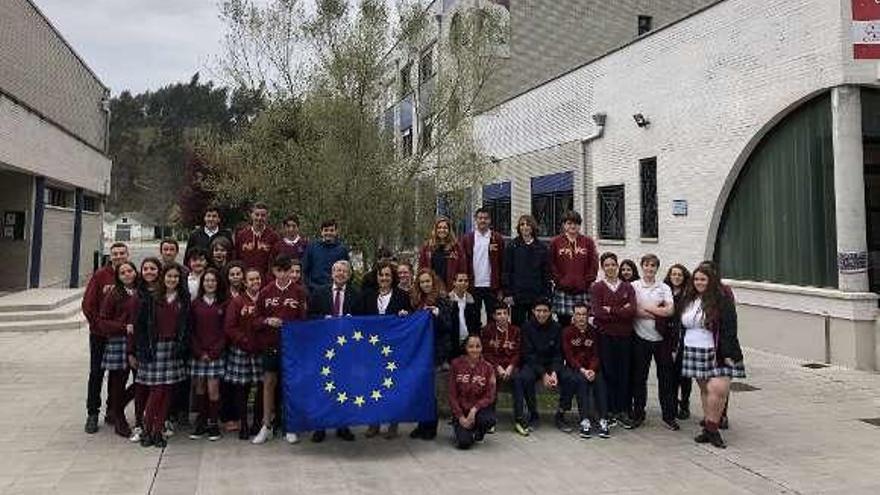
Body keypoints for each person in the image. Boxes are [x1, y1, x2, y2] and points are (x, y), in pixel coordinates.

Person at [678, 265, 745, 448]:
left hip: (718, 351)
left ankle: (714, 429)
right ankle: (708, 427)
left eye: (703, 279)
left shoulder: (721, 300)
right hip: (693, 349)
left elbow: (730, 327)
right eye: (697, 279)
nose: (699, 282)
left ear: (711, 281)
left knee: (718, 390)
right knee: (705, 390)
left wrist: (730, 353)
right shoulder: (689, 299)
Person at [129, 263, 190, 448]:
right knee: (156, 392)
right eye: (169, 276)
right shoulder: (151, 299)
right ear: (163, 278)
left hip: (173, 349)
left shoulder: (183, 299)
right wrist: (136, 351)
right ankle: (147, 428)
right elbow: (139, 327)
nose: (172, 280)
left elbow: (186, 327)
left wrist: (182, 347)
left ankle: (157, 431)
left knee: (167, 392)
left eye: (176, 277)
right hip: (154, 348)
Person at [254, 255, 309, 445]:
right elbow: (255, 319)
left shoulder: (299, 292)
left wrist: (291, 325)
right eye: (279, 270)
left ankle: (290, 426)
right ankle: (266, 425)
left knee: (290, 385)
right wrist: (267, 320)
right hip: (270, 345)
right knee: (269, 383)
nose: (283, 274)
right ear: (274, 271)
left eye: (287, 270)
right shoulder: (265, 292)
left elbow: (304, 320)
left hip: (291, 347)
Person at [307, 260, 362, 442]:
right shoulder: (319, 293)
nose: (340, 274)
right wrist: (324, 318)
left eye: (344, 271)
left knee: (344, 387)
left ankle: (342, 426)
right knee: (323, 387)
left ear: (349, 274)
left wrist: (352, 320)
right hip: (323, 348)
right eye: (337, 270)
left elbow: (364, 321)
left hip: (346, 349)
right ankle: (320, 426)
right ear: (332, 273)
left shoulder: (356, 295)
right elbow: (309, 317)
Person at [360, 260, 412, 439]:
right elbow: (357, 318)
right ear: (377, 277)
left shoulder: (403, 296)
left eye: (388, 275)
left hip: (394, 349)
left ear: (393, 277)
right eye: (381, 275)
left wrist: (406, 316)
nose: (384, 278)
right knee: (373, 385)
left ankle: (393, 423)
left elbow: (411, 322)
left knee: (392, 386)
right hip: (371, 349)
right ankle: (373, 423)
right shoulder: (367, 295)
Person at [82, 241, 129, 434]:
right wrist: (99, 325)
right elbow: (88, 305)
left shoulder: (130, 275)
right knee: (96, 373)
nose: (118, 256)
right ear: (111, 256)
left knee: (118, 375)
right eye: (115, 254)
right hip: (101, 335)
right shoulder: (101, 276)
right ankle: (93, 412)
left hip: (121, 336)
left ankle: (113, 409)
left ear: (127, 255)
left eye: (122, 253)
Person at [630, 254, 677, 430]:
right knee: (639, 378)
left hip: (661, 339)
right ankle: (638, 414)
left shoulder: (664, 287)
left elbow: (670, 311)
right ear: (642, 267)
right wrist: (658, 311)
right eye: (647, 265)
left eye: (653, 266)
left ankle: (669, 416)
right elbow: (633, 310)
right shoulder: (634, 286)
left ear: (657, 268)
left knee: (666, 378)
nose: (650, 269)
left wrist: (647, 309)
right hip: (640, 337)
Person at [590, 252, 636, 428]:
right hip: (605, 336)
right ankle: (607, 410)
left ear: (617, 266)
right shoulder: (597, 288)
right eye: (607, 265)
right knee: (607, 372)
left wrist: (611, 310)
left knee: (623, 373)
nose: (610, 267)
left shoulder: (627, 287)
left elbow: (631, 312)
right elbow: (598, 313)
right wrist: (619, 310)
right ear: (603, 268)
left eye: (613, 264)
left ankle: (622, 410)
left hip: (624, 336)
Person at [408, 268, 455, 440]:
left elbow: (448, 326)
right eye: (422, 282)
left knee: (431, 392)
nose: (425, 285)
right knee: (420, 390)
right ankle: (421, 425)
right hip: (420, 352)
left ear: (433, 282)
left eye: (428, 281)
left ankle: (431, 427)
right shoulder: (416, 301)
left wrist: (437, 314)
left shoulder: (442, 299)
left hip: (435, 351)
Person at [96, 261, 141, 438]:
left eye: (130, 271)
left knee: (141, 381)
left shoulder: (141, 291)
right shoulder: (114, 294)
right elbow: (103, 320)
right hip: (119, 341)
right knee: (118, 381)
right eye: (123, 273)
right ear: (118, 277)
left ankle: (131, 412)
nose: (127, 275)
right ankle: (118, 417)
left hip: (138, 341)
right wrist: (124, 327)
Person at [224, 268, 265, 440]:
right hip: (241, 349)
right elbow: (229, 327)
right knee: (242, 388)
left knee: (261, 387)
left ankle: (257, 421)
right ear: (245, 282)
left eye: (257, 278)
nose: (255, 282)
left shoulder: (265, 299)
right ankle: (243, 424)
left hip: (260, 350)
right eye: (251, 279)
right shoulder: (238, 301)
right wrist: (244, 341)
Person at [188, 269, 228, 441]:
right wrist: (199, 351)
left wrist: (214, 351)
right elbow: (191, 330)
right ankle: (201, 421)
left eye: (213, 281)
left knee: (213, 389)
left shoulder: (223, 304)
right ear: (202, 283)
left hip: (215, 354)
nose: (210, 284)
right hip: (198, 353)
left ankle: (213, 423)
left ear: (217, 283)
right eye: (207, 281)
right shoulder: (195, 304)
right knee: (200, 387)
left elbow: (225, 331)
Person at [515, 298, 564, 436]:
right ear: (533, 311)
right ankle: (533, 414)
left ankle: (561, 414)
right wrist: (543, 374)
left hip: (551, 364)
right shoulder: (526, 327)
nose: (541, 314)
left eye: (545, 311)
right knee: (524, 377)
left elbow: (558, 354)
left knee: (568, 377)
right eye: (538, 311)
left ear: (550, 312)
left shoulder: (557, 327)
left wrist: (554, 372)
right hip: (533, 364)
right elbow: (528, 355)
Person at [561, 302, 610, 439]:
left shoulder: (593, 332)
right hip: (575, 368)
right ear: (573, 316)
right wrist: (583, 370)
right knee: (581, 381)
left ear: (588, 315)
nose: (581, 317)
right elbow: (569, 356)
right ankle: (584, 420)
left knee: (600, 381)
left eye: (584, 314)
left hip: (591, 368)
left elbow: (596, 355)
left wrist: (592, 370)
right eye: (578, 314)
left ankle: (603, 420)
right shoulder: (567, 332)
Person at [128, 257, 162, 443]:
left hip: (159, 347)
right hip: (142, 347)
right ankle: (140, 423)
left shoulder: (162, 292)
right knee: (141, 386)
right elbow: (132, 326)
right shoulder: (137, 295)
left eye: (153, 268)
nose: (149, 271)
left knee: (158, 387)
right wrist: (131, 351)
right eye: (146, 268)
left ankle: (157, 421)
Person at [549, 210, 598, 328]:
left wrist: (587, 281)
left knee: (582, 324)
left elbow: (594, 263)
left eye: (576, 223)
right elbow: (551, 264)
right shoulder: (555, 242)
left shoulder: (588, 242)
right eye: (569, 223)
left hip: (582, 290)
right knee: (564, 325)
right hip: (563, 291)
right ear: (564, 225)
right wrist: (559, 281)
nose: (573, 226)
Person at [449, 335, 497, 450]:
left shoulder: (488, 367)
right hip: (461, 411)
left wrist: (475, 409)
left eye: (478, 346)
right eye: (471, 346)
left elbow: (490, 395)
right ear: (465, 348)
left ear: (481, 348)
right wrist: (460, 417)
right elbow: (452, 394)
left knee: (490, 419)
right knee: (464, 444)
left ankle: (478, 432)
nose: (475, 350)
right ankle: (465, 431)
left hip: (478, 410)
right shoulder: (456, 364)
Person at [503, 214, 551, 327]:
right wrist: (508, 293)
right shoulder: (512, 246)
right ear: (519, 228)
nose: (525, 227)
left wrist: (546, 294)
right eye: (522, 224)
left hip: (536, 295)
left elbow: (546, 273)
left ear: (533, 227)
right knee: (518, 327)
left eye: (528, 224)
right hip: (517, 296)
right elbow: (507, 271)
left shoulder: (542, 247)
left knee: (536, 327)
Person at [480, 303, 521, 432]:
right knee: (492, 381)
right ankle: (490, 419)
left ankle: (519, 418)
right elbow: (487, 353)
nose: (502, 316)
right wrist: (497, 367)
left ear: (508, 315)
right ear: (493, 316)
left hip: (511, 366)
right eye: (499, 314)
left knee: (519, 380)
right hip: (494, 366)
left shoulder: (515, 330)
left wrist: (510, 367)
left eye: (505, 313)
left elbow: (518, 353)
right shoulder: (487, 330)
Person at [459, 207, 505, 320]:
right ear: (475, 220)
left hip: (492, 286)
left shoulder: (497, 238)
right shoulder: (467, 239)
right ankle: (475, 337)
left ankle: (491, 338)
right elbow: (462, 262)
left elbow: (503, 263)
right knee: (473, 317)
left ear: (490, 220)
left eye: (486, 218)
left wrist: (502, 288)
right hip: (473, 286)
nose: (483, 221)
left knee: (493, 317)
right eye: (480, 218)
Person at [664, 263, 692, 420]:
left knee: (684, 374)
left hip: (684, 338)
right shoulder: (665, 291)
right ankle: (672, 403)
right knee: (671, 373)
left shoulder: (688, 294)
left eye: (679, 275)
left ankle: (685, 403)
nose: (676, 277)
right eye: (673, 274)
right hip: (667, 338)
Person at [234, 202, 281, 278]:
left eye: (263, 215)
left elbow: (275, 261)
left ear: (267, 216)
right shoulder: (241, 235)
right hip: (245, 279)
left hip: (265, 280)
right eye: (257, 215)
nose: (259, 218)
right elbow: (236, 258)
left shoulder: (273, 237)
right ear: (251, 215)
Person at [302, 219, 350, 292]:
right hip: (314, 290)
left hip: (334, 291)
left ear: (336, 232)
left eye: (331, 230)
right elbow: (305, 270)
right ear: (321, 232)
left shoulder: (342, 250)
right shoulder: (312, 247)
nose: (329, 233)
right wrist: (309, 286)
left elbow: (347, 271)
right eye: (326, 230)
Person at [419, 217, 463, 292]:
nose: (442, 230)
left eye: (445, 228)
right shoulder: (427, 247)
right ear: (435, 230)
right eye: (439, 227)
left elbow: (462, 268)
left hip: (451, 288)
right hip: (432, 288)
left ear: (449, 230)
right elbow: (422, 268)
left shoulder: (456, 247)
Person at [447, 272, 482, 355]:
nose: (463, 283)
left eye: (466, 281)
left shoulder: (473, 300)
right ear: (454, 283)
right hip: (452, 344)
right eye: (460, 280)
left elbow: (477, 323)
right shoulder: (447, 300)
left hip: (469, 344)